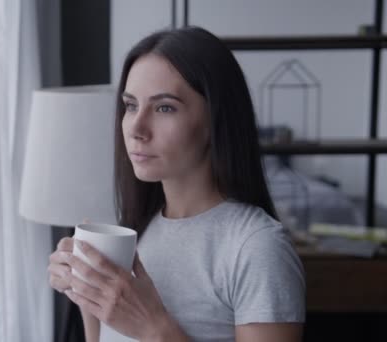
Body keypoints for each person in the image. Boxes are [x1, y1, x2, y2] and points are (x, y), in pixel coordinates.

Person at [47, 26, 306, 342]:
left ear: (215, 121)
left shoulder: (256, 247)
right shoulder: (137, 232)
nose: (137, 128)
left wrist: (154, 330)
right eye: (130, 105)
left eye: (164, 107)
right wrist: (89, 296)